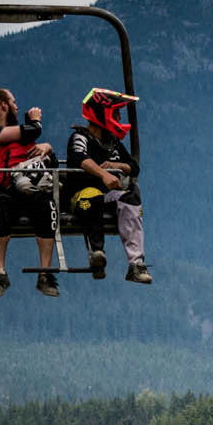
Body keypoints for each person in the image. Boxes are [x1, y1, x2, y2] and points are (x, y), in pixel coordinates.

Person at [0, 87, 58, 298]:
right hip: (4, 191)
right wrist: (35, 120)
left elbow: (47, 160)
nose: (16, 106)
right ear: (4, 105)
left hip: (30, 189)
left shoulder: (20, 138)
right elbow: (31, 130)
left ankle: (44, 273)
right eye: (13, 102)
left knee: (47, 204)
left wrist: (47, 148)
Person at [66, 88, 150, 283]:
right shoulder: (81, 137)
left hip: (108, 196)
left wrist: (117, 165)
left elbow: (133, 167)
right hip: (81, 198)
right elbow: (79, 158)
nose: (119, 118)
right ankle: (97, 252)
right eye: (116, 114)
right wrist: (103, 174)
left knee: (131, 194)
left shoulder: (112, 142)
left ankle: (136, 264)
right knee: (92, 196)